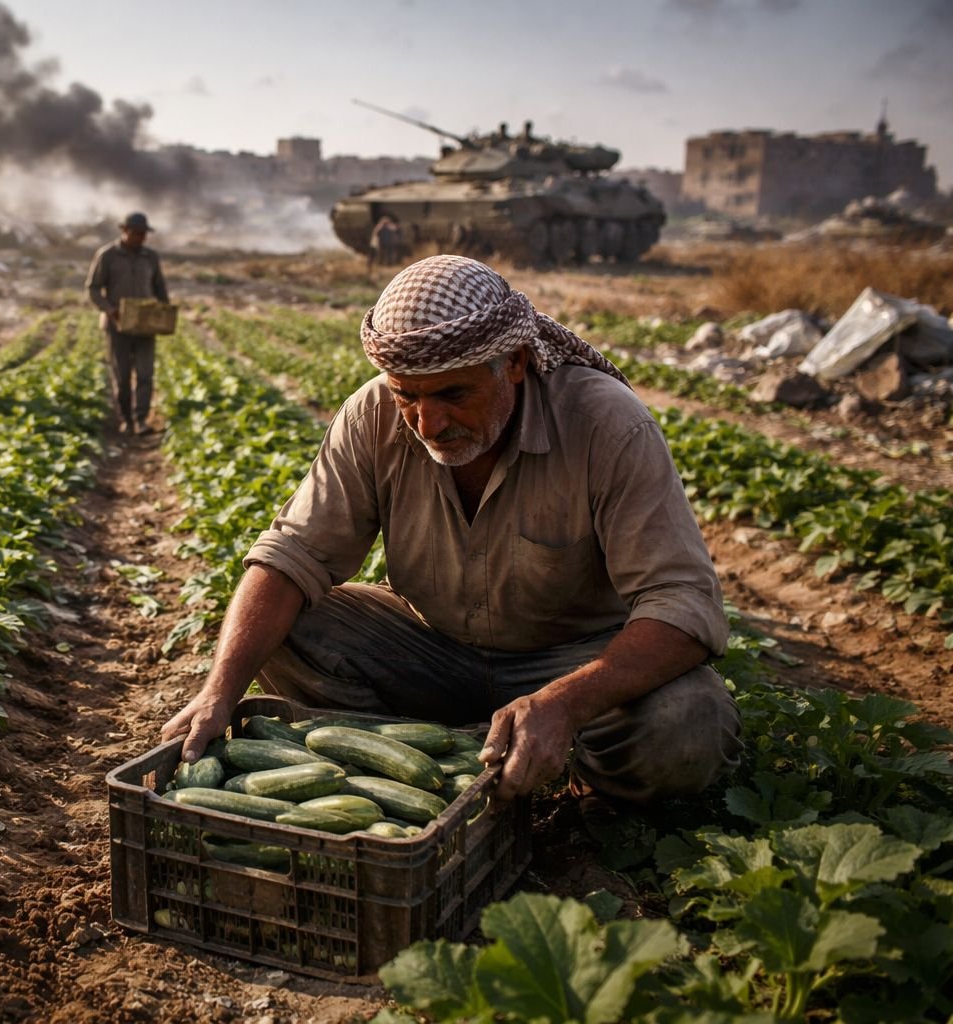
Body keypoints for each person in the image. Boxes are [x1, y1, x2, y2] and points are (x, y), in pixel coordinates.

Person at [162, 255, 742, 810]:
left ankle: (577, 775)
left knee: (687, 722)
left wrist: (566, 702)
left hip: (569, 661)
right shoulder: (373, 417)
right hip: (430, 649)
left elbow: (681, 602)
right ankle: (432, 756)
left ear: (514, 362)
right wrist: (220, 691)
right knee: (283, 625)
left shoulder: (606, 425)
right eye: (407, 396)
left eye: (453, 394)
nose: (427, 423)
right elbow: (294, 553)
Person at [85, 211, 170, 434]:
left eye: (144, 234)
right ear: (124, 231)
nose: (141, 238)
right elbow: (93, 288)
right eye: (136, 233)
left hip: (144, 325)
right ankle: (126, 420)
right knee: (122, 377)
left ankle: (141, 419)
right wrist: (110, 310)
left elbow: (160, 288)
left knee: (144, 374)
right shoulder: (107, 255)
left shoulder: (150, 257)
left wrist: (164, 312)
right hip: (117, 326)